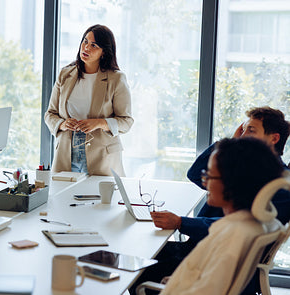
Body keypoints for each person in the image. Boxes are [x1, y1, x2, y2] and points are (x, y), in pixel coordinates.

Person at [130, 106, 290, 295]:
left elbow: (235, 229)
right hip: (205, 251)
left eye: (251, 130)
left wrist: (182, 222)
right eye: (244, 129)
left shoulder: (277, 185)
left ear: (274, 138)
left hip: (216, 258)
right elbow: (195, 175)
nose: (244, 135)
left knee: (136, 268)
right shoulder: (249, 170)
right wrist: (230, 144)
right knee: (140, 253)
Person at [160, 137, 284, 294]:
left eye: (209, 175)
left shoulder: (231, 238)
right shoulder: (253, 224)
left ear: (232, 182)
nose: (204, 182)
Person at [44, 24, 133, 176]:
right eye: (85, 41)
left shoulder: (116, 79)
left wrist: (99, 123)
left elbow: (126, 121)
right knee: (64, 198)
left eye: (94, 45)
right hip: (66, 154)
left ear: (104, 52)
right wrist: (63, 123)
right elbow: (50, 114)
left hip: (102, 158)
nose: (86, 48)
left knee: (100, 199)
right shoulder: (65, 75)